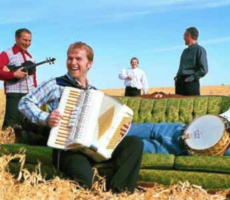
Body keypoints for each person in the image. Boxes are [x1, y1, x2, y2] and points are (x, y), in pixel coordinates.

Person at [18, 42, 143, 193]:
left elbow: (105, 127)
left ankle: (119, 193)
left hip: (92, 149)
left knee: (134, 143)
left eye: (78, 59)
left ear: (89, 63)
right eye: (70, 58)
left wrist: (118, 132)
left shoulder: (95, 92)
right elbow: (25, 103)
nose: (73, 63)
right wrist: (46, 117)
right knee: (89, 186)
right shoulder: (56, 84)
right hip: (67, 148)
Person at [0, 28, 37, 130]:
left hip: (29, 95)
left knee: (27, 125)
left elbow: (33, 78)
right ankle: (6, 145)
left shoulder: (32, 58)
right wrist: (13, 75)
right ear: (16, 38)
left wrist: (36, 93)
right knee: (10, 127)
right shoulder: (6, 54)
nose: (27, 43)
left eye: (29, 40)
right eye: (25, 40)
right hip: (14, 94)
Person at [174, 27, 208, 96]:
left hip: (191, 84)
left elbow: (204, 70)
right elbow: (181, 67)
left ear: (188, 35)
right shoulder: (185, 51)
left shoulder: (200, 50)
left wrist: (191, 78)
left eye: (184, 36)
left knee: (192, 106)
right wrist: (177, 77)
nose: (183, 38)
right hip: (179, 84)